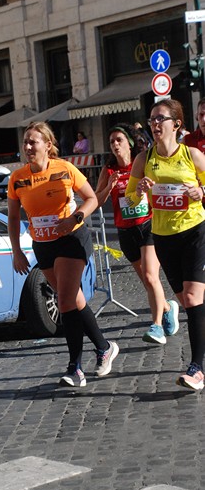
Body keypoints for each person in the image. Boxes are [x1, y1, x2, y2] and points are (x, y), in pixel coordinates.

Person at [7, 121, 119, 389]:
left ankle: (75, 368)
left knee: (65, 301)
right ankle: (104, 347)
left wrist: (75, 217)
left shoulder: (64, 169)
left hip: (71, 238)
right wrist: (16, 251)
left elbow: (91, 198)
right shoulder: (18, 178)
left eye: (33, 141)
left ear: (48, 145)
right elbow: (12, 217)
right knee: (75, 300)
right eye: (25, 142)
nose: (28, 146)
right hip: (43, 245)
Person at [125, 99, 205, 391]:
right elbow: (130, 199)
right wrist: (140, 191)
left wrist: (201, 190)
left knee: (195, 299)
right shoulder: (143, 159)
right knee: (185, 301)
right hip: (163, 236)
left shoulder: (192, 156)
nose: (155, 124)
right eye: (151, 120)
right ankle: (175, 310)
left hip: (195, 231)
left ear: (176, 124)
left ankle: (197, 368)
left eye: (160, 119)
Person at [95, 123, 178, 345]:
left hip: (147, 225)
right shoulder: (109, 170)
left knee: (151, 276)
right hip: (125, 231)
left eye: (119, 140)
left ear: (129, 144)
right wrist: (108, 187)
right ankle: (169, 307)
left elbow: (159, 188)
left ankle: (157, 326)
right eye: (112, 141)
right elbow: (96, 200)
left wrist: (146, 187)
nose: (115, 145)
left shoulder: (141, 163)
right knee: (146, 281)